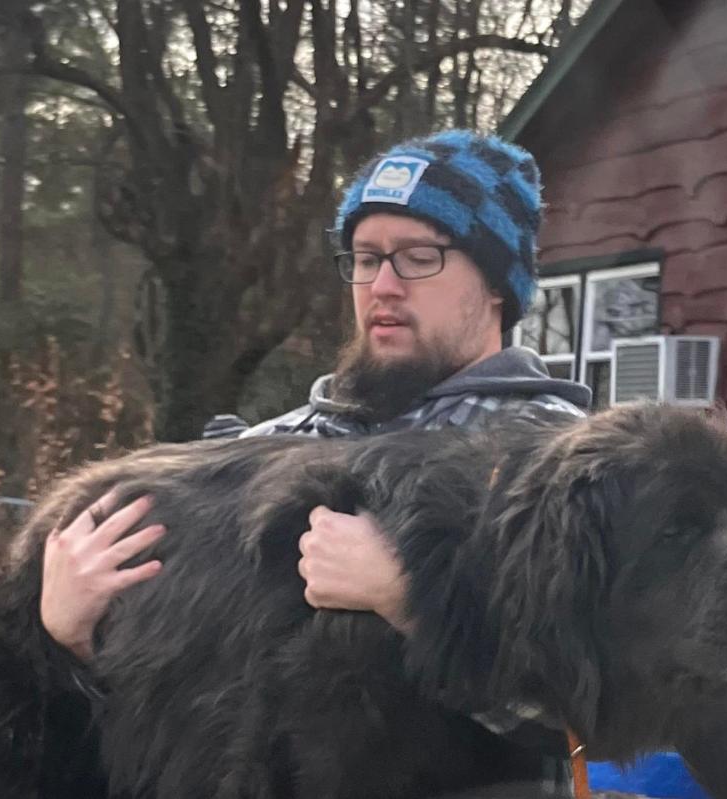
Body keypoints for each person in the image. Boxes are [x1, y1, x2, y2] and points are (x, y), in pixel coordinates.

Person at [42, 129, 592, 797]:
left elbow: (591, 712)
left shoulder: (561, 465)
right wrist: (68, 634)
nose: (383, 286)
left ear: (497, 283)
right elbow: (177, 693)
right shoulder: (258, 450)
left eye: (419, 256)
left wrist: (415, 600)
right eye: (365, 258)